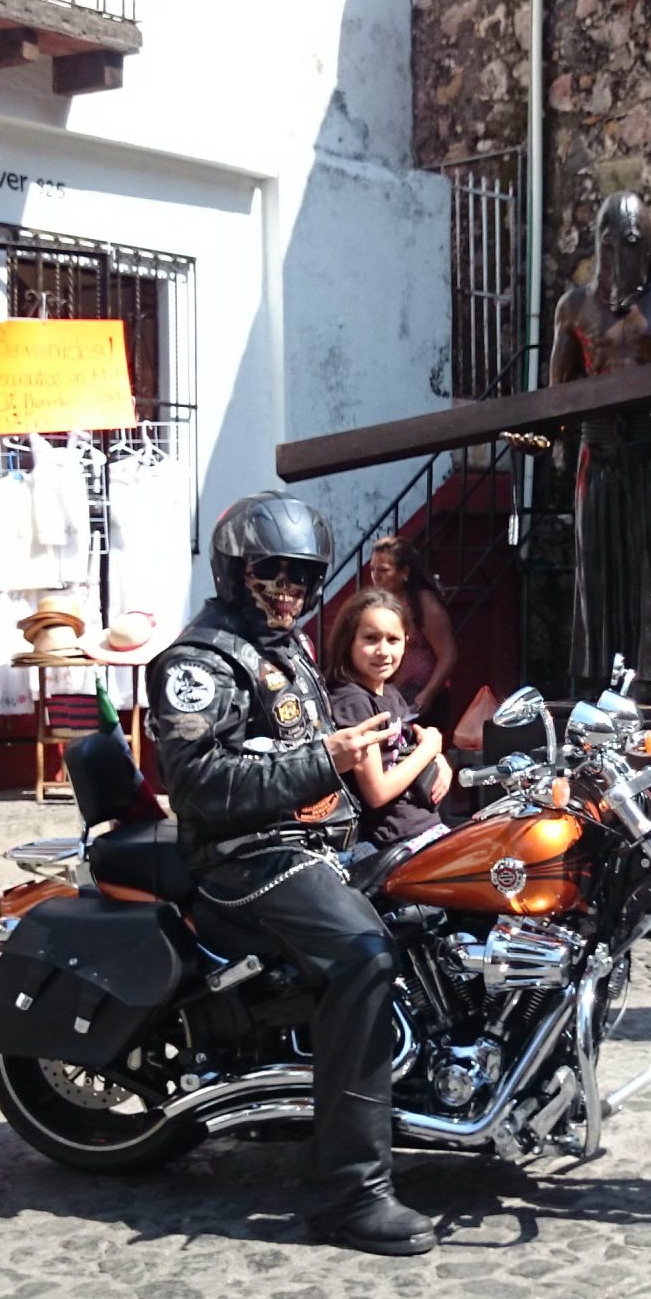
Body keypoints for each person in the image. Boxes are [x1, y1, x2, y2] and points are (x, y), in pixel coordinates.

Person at [141, 489, 437, 1256]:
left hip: (316, 845)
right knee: (362, 959)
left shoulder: (285, 651)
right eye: (272, 575)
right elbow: (202, 783)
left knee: (439, 906)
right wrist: (327, 759)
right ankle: (350, 1194)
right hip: (250, 856)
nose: (290, 592)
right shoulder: (199, 661)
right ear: (235, 572)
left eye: (302, 578)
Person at [511, 190, 651, 700]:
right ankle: (599, 674)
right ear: (599, 244)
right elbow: (559, 390)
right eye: (610, 242)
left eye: (632, 242)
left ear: (650, 244)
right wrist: (544, 434)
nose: (620, 254)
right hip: (599, 449)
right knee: (597, 565)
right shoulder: (574, 307)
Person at [323, 587, 451, 848]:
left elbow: (408, 746)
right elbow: (377, 792)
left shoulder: (390, 694)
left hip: (426, 826)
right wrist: (429, 749)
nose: (383, 650)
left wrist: (438, 759)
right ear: (349, 641)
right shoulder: (353, 702)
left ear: (406, 641)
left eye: (393, 640)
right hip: (396, 841)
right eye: (371, 638)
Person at [364, 535, 456, 724]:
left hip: (423, 697)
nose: (375, 576)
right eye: (372, 570)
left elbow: (448, 654)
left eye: (383, 570)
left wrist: (427, 694)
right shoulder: (381, 604)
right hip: (392, 695)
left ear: (405, 572)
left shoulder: (425, 604)